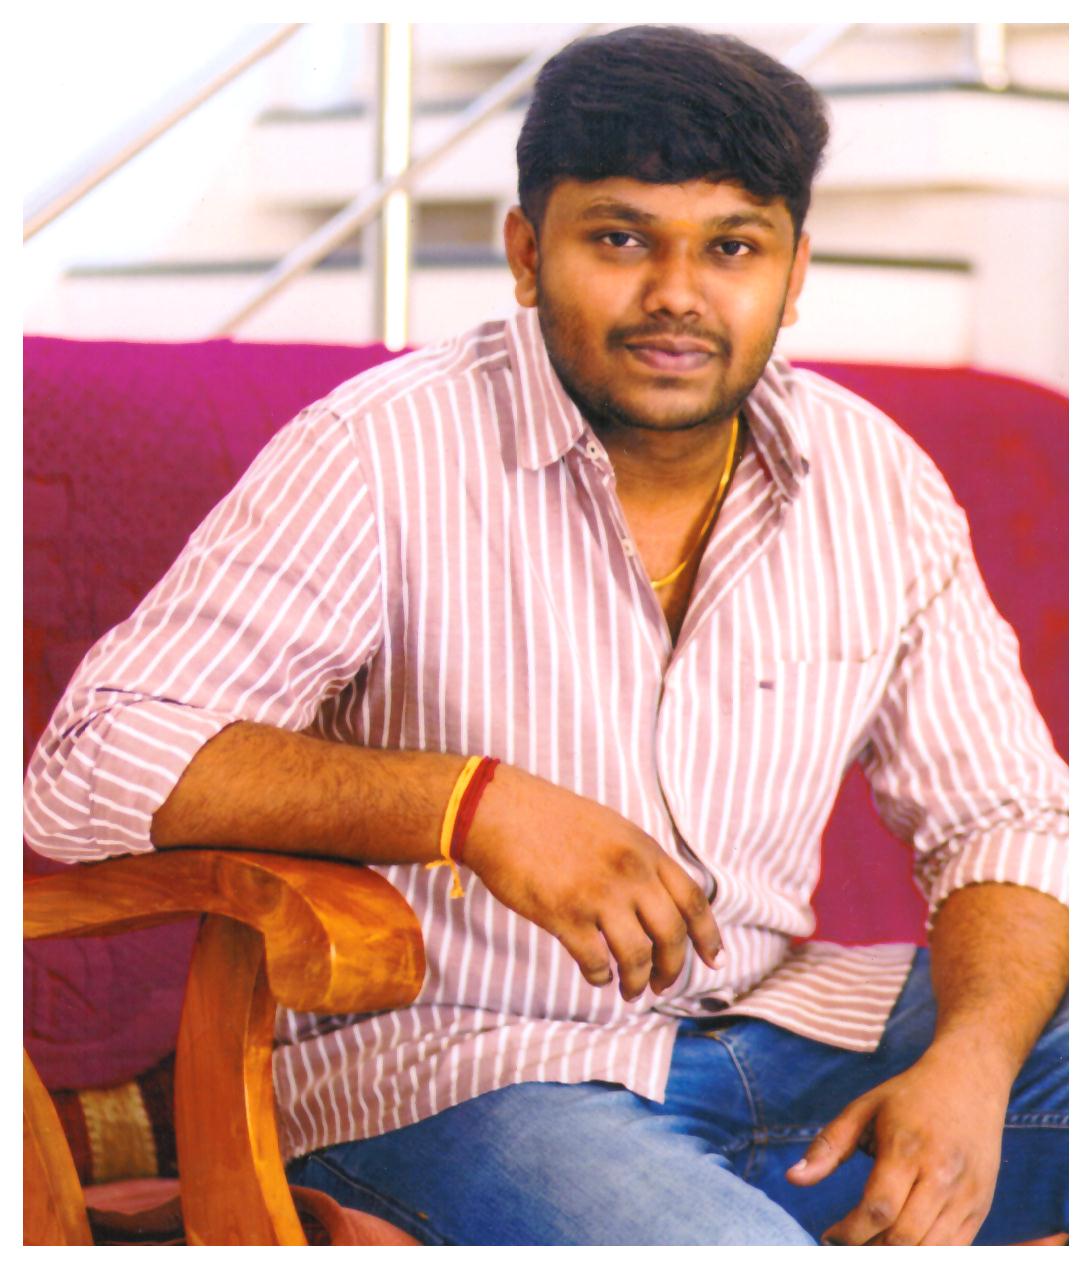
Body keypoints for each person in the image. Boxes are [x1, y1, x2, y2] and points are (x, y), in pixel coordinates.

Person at [24, 25, 1067, 1246]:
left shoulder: (874, 477)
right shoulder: (379, 452)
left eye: (733, 246)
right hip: (469, 1079)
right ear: (526, 253)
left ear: (795, 273)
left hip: (787, 1034)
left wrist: (974, 1062)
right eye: (620, 239)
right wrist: (471, 806)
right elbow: (91, 766)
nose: (677, 293)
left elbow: (1005, 814)